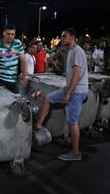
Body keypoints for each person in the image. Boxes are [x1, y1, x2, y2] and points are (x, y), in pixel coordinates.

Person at [36, 28, 89, 161]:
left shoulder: (77, 52)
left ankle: (76, 153)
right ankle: (38, 126)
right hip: (70, 88)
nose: (62, 39)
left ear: (72, 37)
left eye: (64, 36)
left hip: (77, 91)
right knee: (48, 98)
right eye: (62, 36)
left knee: (72, 122)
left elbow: (77, 75)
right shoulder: (71, 51)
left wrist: (68, 93)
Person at [0, 24, 28, 93]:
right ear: (3, 33)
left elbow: (23, 61)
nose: (10, 36)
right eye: (8, 34)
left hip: (13, 79)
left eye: (12, 34)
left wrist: (25, 76)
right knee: (1, 101)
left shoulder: (18, 43)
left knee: (13, 101)